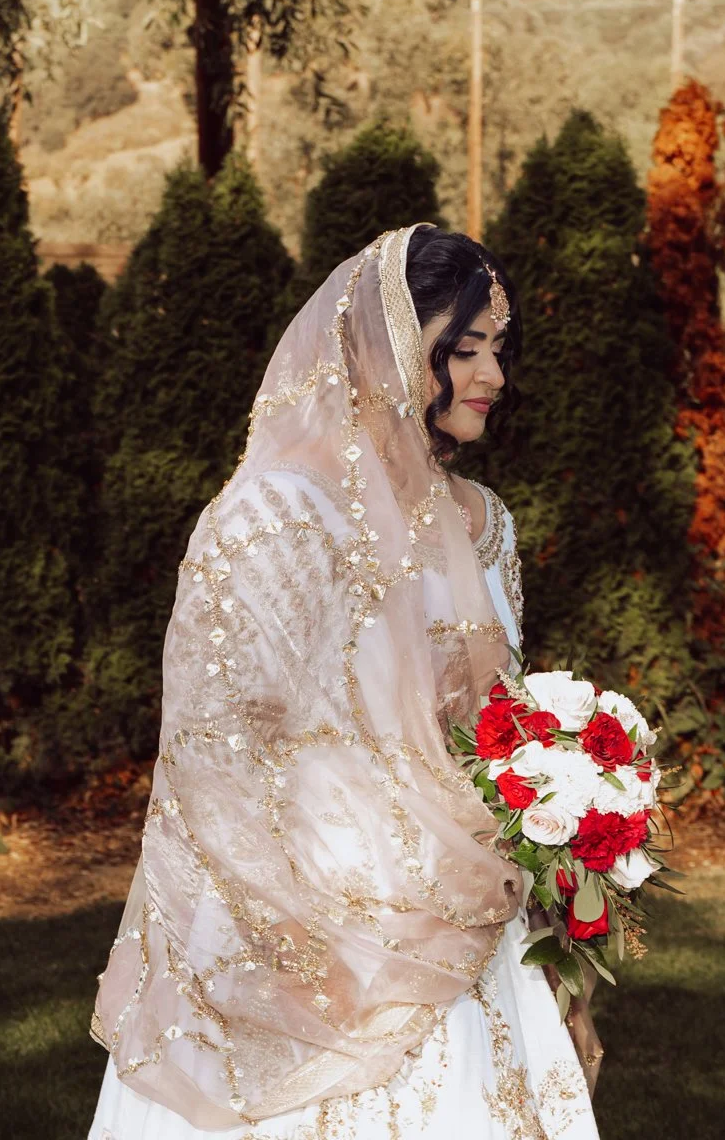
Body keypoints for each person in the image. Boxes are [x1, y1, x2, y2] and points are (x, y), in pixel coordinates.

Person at [87, 225, 601, 1140]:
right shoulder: (277, 511)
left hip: (473, 912)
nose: (493, 375)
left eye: (499, 351)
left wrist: (569, 916)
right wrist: (301, 948)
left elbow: (502, 741)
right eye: (465, 349)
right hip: (306, 922)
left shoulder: (486, 525)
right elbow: (218, 752)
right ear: (394, 349)